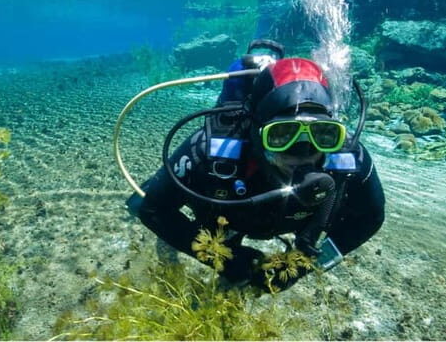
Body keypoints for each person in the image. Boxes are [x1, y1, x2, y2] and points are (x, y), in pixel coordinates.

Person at [126, 51, 385, 292]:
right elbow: (153, 210)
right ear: (255, 129)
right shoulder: (210, 150)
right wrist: (224, 259)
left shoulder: (347, 157)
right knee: (140, 202)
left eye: (323, 135)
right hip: (227, 216)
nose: (304, 151)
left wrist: (300, 266)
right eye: (282, 134)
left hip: (273, 217)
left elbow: (370, 218)